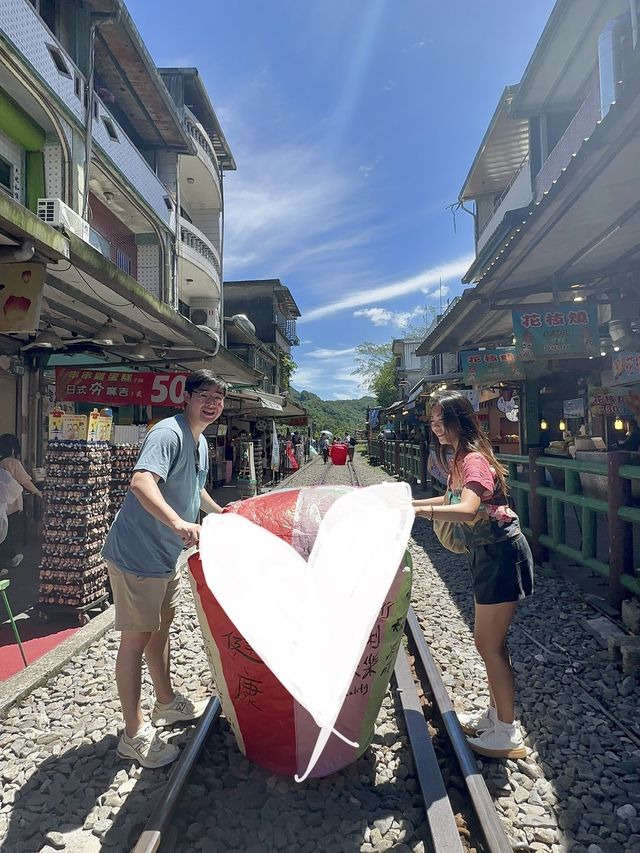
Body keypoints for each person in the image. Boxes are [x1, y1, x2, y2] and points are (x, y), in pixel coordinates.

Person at [102, 369, 226, 768]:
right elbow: (141, 482)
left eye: (219, 398)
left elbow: (194, 487)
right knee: (135, 641)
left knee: (161, 630)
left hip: (166, 556)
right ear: (186, 398)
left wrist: (221, 514)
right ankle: (133, 733)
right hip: (138, 555)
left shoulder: (201, 441)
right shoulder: (167, 434)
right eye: (205, 395)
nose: (212, 403)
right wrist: (178, 523)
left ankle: (166, 702)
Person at [412, 391, 533, 759]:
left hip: (500, 554)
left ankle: (507, 732)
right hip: (489, 553)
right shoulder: (461, 457)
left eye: (439, 422)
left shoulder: (473, 460)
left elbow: (465, 509)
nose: (435, 429)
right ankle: (495, 717)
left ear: (457, 421)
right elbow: (450, 501)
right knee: (489, 644)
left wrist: (420, 513)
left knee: (489, 645)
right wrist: (410, 505)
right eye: (431, 423)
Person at [0, 434, 42, 573]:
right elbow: (25, 482)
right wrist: (38, 493)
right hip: (10, 505)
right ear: (13, 448)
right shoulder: (13, 463)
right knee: (7, 533)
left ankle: (10, 558)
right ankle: (7, 561)